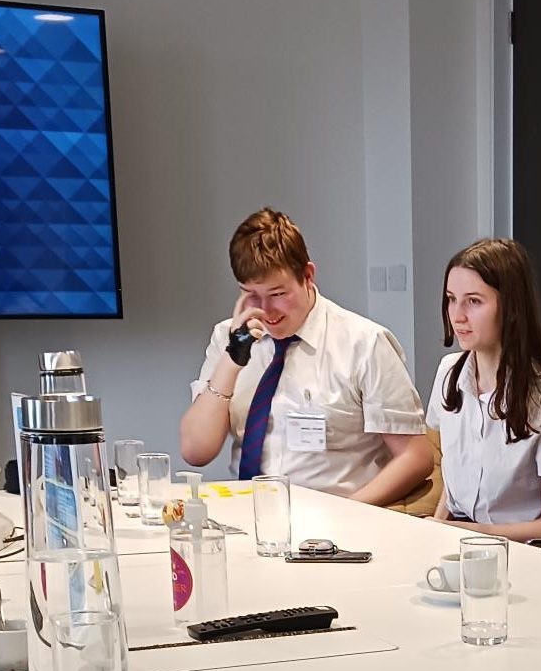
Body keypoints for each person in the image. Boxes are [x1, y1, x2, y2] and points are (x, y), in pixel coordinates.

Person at [180, 208, 434, 507]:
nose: (266, 310)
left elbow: (415, 457)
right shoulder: (229, 336)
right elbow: (196, 452)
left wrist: (350, 511)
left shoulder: (363, 343)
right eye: (251, 294)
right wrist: (232, 360)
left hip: (334, 519)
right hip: (249, 515)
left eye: (277, 294)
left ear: (308, 276)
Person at [428, 238, 541, 542]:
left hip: (523, 550)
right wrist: (435, 530)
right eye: (451, 298)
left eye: (473, 301)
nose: (457, 315)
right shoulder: (449, 372)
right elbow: (454, 476)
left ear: (511, 307)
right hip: (459, 537)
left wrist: (467, 534)